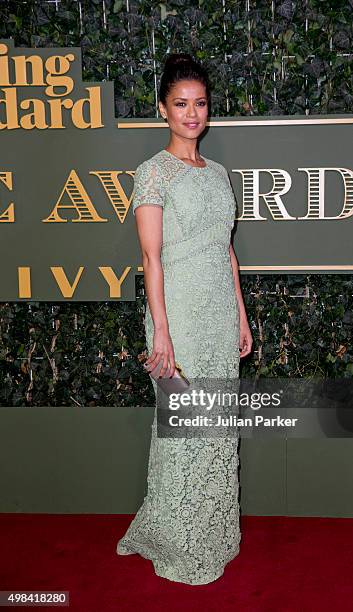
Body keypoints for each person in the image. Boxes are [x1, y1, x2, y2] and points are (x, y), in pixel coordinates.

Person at [116, 52, 253, 585]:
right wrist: (163, 332)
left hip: (219, 316)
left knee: (215, 428)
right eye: (181, 104)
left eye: (199, 104)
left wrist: (242, 317)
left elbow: (227, 251)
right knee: (183, 430)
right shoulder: (152, 173)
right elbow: (151, 258)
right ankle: (177, 537)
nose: (192, 114)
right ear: (163, 110)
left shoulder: (218, 174)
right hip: (179, 317)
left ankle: (213, 531)